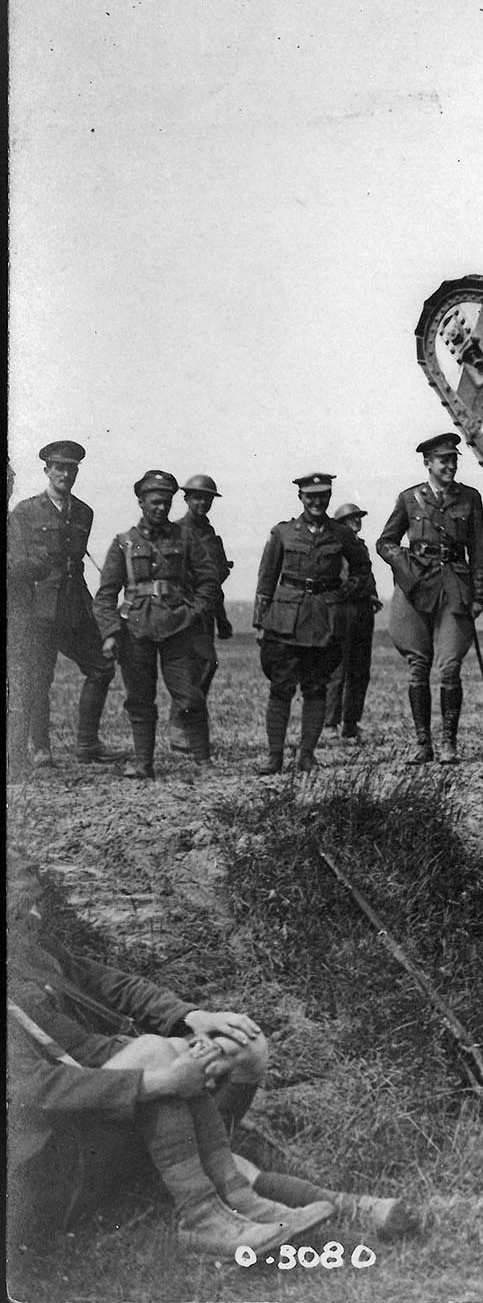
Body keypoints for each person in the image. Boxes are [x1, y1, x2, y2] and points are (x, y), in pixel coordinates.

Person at [6, 851, 336, 1257]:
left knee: (238, 1046)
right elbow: (33, 1089)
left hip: (85, 1112)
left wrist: (191, 1017)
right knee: (158, 1057)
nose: (36, 916)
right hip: (38, 1171)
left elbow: (111, 984)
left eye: (35, 902)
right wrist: (155, 1079)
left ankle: (237, 1198)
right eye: (21, 908)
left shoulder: (31, 949)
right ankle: (202, 1215)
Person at [93, 471, 224, 780]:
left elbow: (209, 581)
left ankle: (204, 762)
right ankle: (143, 763)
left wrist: (194, 612)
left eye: (166, 502)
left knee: (190, 696)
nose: (161, 509)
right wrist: (111, 633)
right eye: (154, 502)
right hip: (135, 630)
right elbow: (106, 594)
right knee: (139, 699)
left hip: (179, 629)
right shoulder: (123, 543)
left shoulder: (186, 538)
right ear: (141, 502)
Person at [251, 473, 376, 775]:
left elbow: (362, 567)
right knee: (281, 687)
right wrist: (259, 620)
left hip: (324, 620)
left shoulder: (341, 534)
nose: (317, 502)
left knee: (316, 688)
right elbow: (266, 578)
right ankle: (274, 756)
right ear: (301, 498)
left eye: (323, 496)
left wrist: (347, 592)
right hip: (286, 620)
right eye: (311, 496)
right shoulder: (282, 533)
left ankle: (307, 755)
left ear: (329, 497)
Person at [377, 433, 483, 765]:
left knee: (450, 666)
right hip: (416, 587)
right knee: (417, 665)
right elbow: (385, 542)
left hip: (455, 585)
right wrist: (404, 566)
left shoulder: (470, 497)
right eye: (444, 460)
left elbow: (479, 550)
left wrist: (479, 594)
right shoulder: (409, 499)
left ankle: (448, 743)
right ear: (428, 463)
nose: (450, 466)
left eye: (454, 460)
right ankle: (422, 744)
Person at [6, 440, 116, 773]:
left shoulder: (84, 512)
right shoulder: (25, 512)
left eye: (71, 469)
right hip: (39, 608)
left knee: (101, 666)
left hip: (76, 606)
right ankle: (40, 749)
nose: (65, 474)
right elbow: (19, 561)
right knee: (39, 679)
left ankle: (86, 744)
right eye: (59, 468)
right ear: (47, 471)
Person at [165, 475, 232, 756]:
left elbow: (215, 580)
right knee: (189, 669)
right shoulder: (176, 532)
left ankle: (186, 726)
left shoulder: (212, 536)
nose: (202, 502)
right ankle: (179, 729)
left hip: (208, 613)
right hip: (185, 611)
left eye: (206, 498)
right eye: (196, 497)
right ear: (186, 499)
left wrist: (223, 618)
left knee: (207, 665)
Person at [323, 502, 380, 744]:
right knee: (338, 670)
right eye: (351, 518)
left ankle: (350, 723)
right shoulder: (336, 546)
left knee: (360, 669)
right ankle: (330, 724)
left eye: (358, 517)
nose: (356, 521)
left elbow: (367, 574)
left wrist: (373, 596)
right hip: (343, 610)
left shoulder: (360, 546)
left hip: (363, 611)